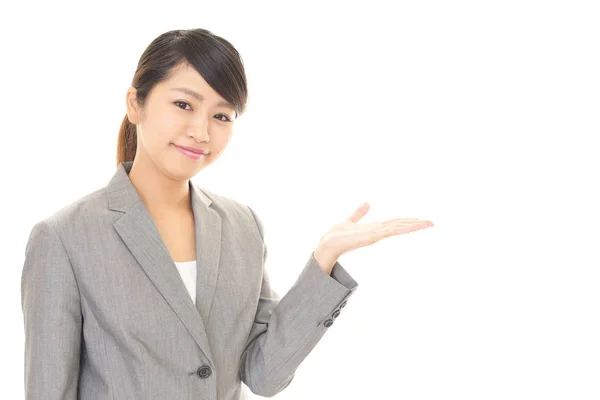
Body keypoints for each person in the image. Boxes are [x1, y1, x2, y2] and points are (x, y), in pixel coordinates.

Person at [20, 28, 434, 399]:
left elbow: (264, 373)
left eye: (221, 116)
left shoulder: (242, 226)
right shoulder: (64, 238)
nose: (202, 131)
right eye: (184, 104)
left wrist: (323, 260)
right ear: (135, 104)